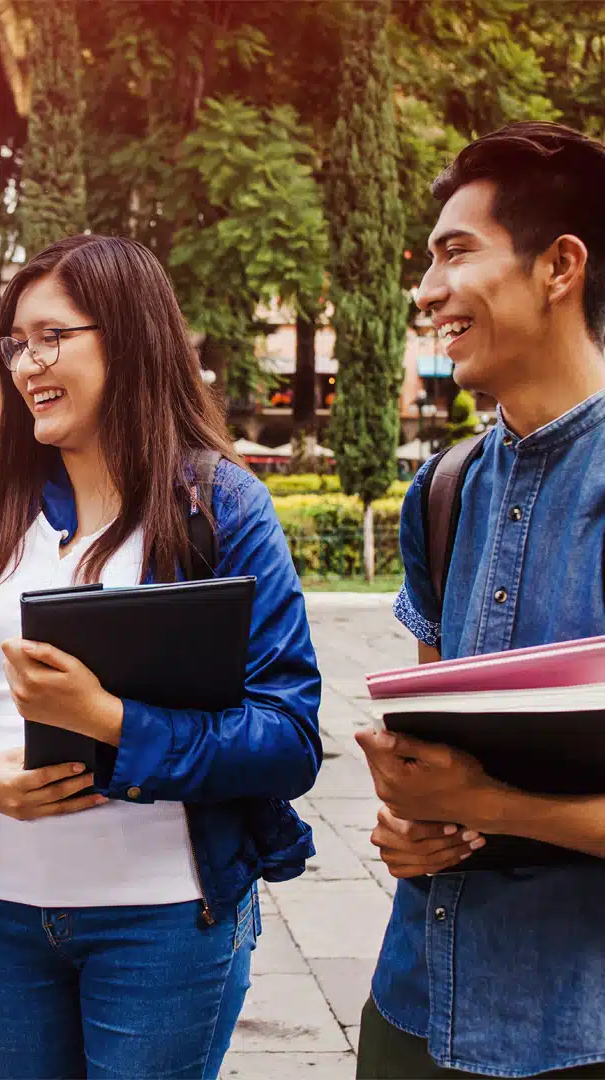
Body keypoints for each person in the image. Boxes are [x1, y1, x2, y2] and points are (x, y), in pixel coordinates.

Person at [0, 234, 322, 1080]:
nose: (26, 363)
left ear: (127, 337)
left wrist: (107, 723)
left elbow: (289, 736)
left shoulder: (220, 505)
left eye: (53, 337)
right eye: (15, 342)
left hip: (164, 918)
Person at [355, 122, 605, 1079]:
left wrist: (489, 802)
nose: (425, 293)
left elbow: (473, 787)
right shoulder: (447, 488)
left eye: (456, 252)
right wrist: (412, 818)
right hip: (415, 1006)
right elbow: (431, 753)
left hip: (576, 1030)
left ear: (560, 266)